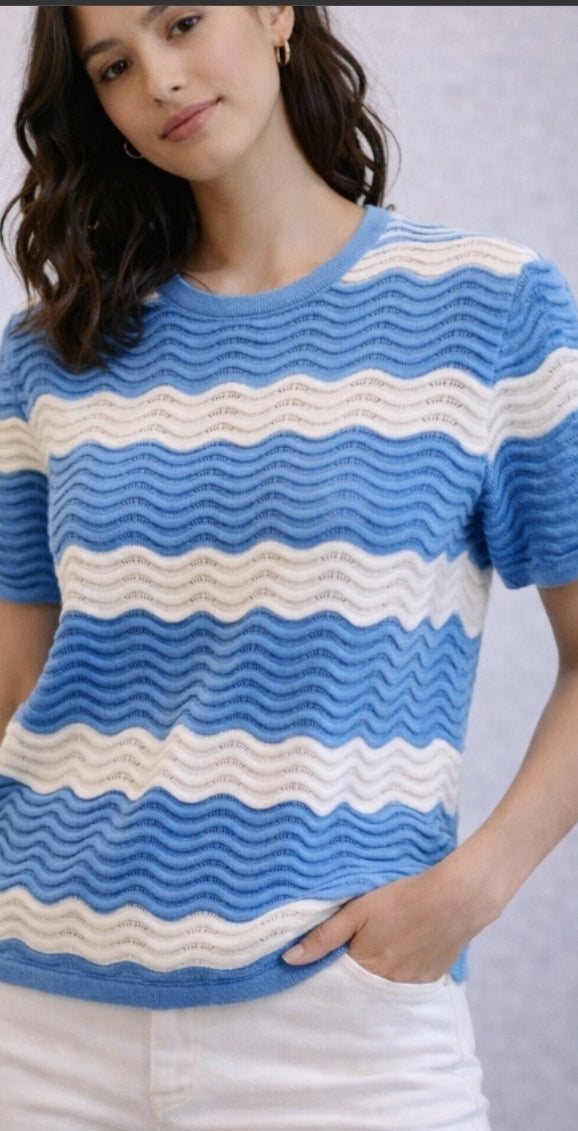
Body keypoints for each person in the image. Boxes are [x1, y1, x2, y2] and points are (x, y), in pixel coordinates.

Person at [0, 5, 577, 1129]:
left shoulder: (487, 304)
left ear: (273, 13)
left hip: (339, 1026)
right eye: (113, 66)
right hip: (41, 1021)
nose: (159, 79)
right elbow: (17, 685)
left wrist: (472, 889)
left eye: (181, 21)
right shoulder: (50, 353)